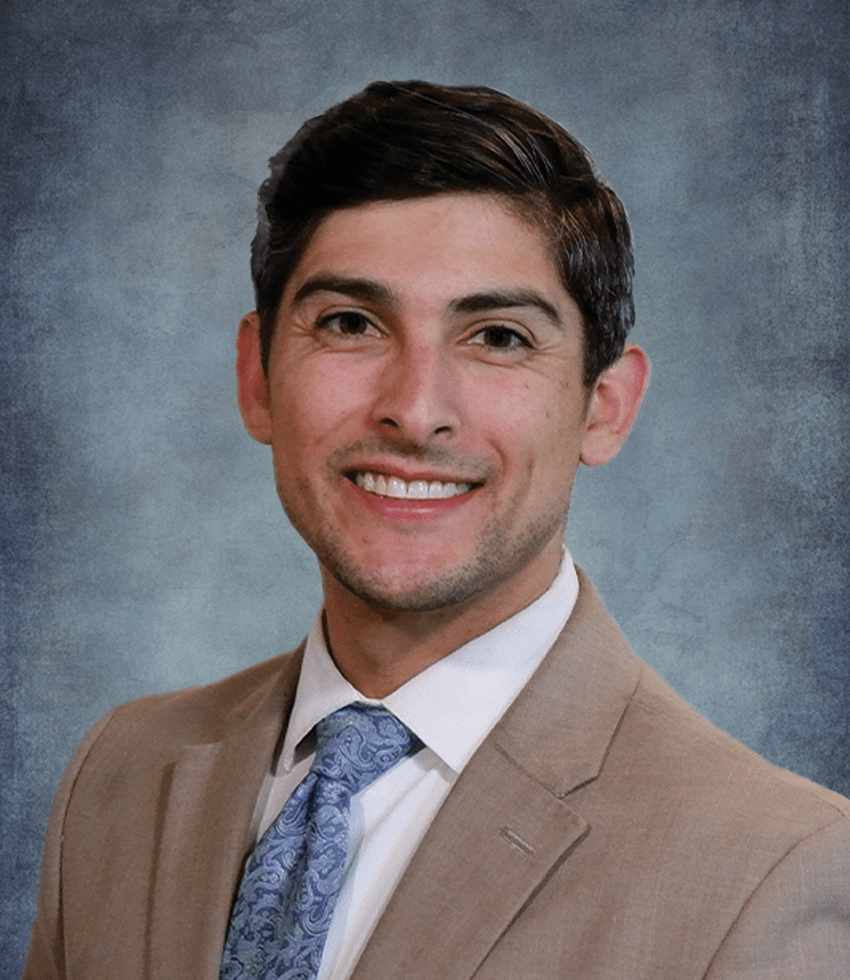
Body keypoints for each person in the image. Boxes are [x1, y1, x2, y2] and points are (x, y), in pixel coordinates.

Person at [24, 80, 850, 980]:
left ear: (604, 410)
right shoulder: (121, 774)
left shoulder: (775, 869)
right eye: (350, 323)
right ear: (256, 378)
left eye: (497, 337)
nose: (415, 413)